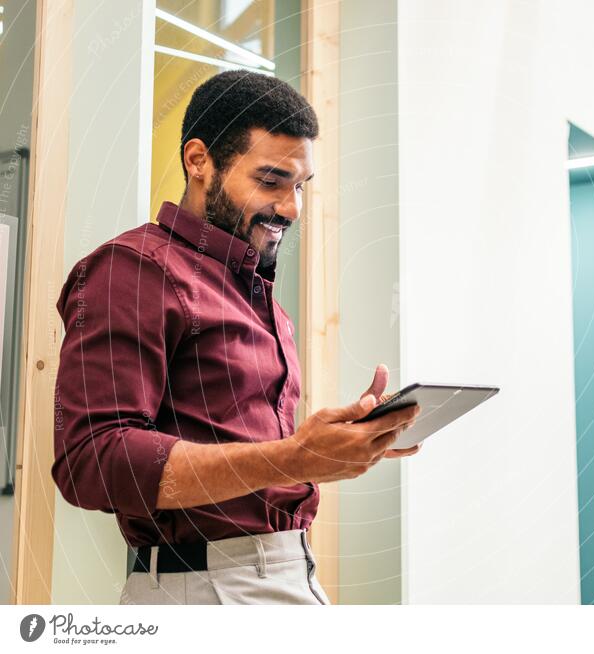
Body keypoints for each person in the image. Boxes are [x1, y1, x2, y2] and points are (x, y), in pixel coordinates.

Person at [51, 70, 421, 605]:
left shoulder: (257, 291)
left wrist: (333, 447)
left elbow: (263, 453)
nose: (292, 208)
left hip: (287, 573)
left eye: (300, 186)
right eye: (271, 182)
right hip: (205, 590)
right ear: (198, 160)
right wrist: (294, 458)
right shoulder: (132, 271)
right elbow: (91, 461)